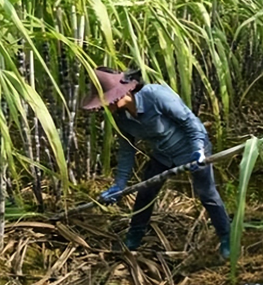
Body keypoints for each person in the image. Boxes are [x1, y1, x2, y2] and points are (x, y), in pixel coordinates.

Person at [80, 66, 230, 259]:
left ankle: (226, 236)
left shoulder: (155, 95)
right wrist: (119, 184)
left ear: (116, 96)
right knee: (145, 193)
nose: (101, 108)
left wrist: (198, 150)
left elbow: (191, 123)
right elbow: (127, 150)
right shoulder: (120, 117)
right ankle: (134, 237)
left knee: (206, 193)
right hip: (162, 156)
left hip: (191, 150)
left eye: (103, 102)